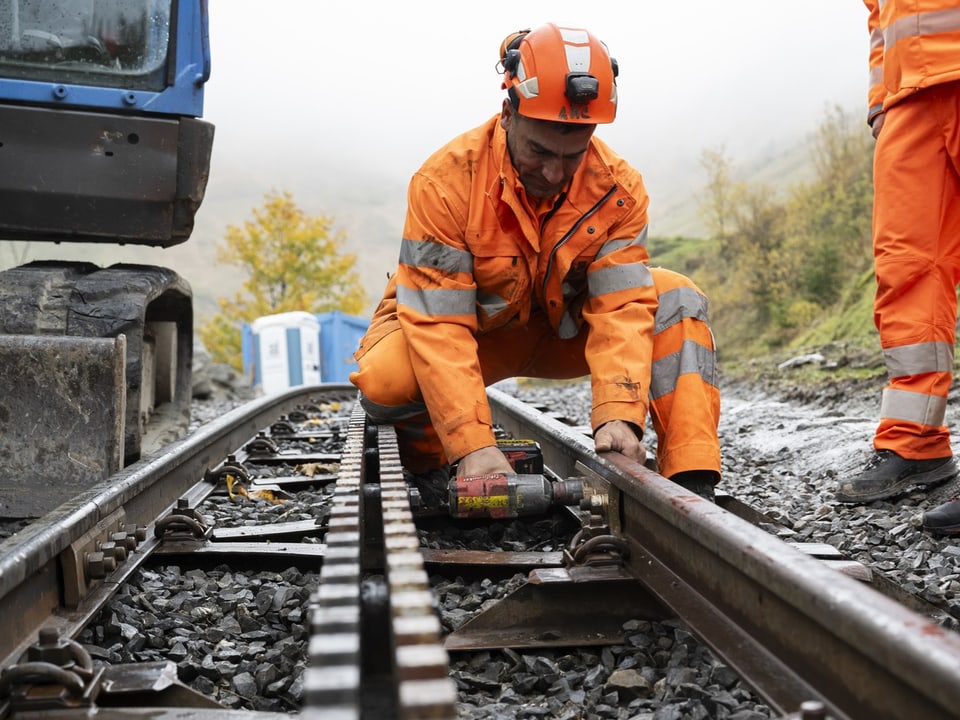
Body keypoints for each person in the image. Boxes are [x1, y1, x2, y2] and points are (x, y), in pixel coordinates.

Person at [349, 23, 721, 508]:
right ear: (508, 114)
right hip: (470, 335)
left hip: (559, 334)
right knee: (386, 380)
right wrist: (474, 446)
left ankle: (691, 486)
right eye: (540, 151)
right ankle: (434, 463)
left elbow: (623, 307)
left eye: (573, 155)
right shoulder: (445, 183)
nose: (553, 172)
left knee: (676, 298)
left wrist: (619, 416)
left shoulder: (618, 188)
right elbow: (438, 323)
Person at [835, 1, 960, 514]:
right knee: (907, 268)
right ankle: (916, 440)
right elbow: (879, 13)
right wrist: (880, 102)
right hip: (908, 96)